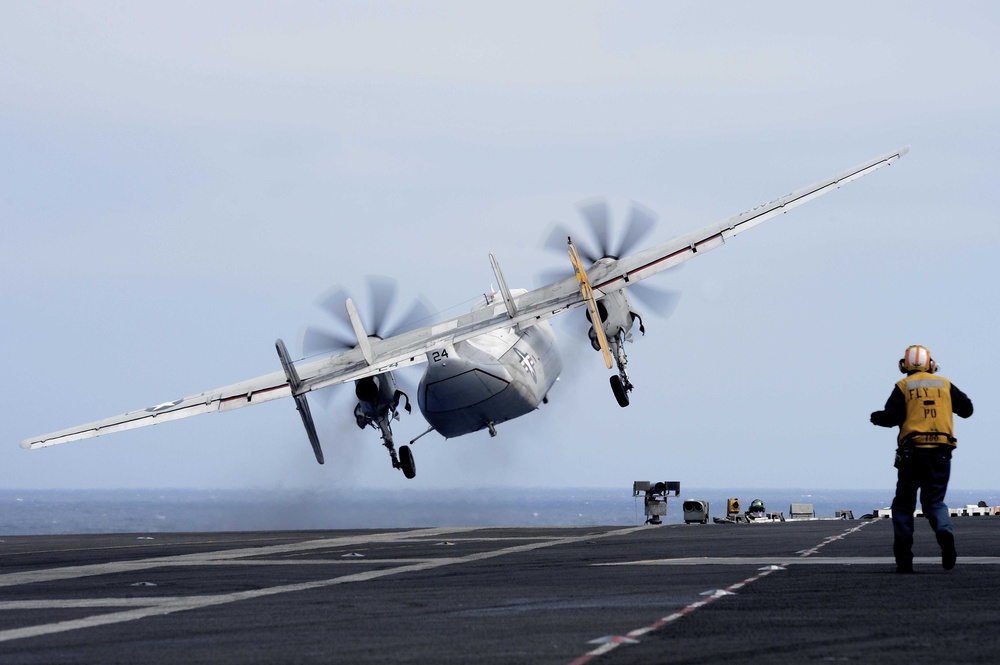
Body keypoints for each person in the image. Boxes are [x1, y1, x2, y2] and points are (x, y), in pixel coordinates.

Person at [870, 345, 973, 573]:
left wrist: (875, 417)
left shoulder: (904, 386)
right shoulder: (945, 384)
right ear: (931, 364)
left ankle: (904, 561)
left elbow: (890, 417)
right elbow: (967, 409)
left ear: (904, 365)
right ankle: (944, 533)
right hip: (941, 454)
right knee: (934, 502)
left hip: (911, 454)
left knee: (904, 505)